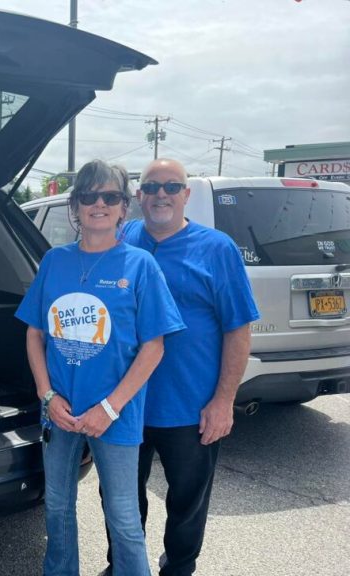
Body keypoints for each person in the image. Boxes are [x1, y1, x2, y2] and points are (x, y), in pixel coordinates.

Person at [16, 159, 186, 576]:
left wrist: (109, 408)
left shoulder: (140, 266)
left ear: (124, 207)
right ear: (75, 206)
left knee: (125, 519)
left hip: (117, 414)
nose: (99, 204)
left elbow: (154, 347)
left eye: (110, 196)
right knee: (57, 507)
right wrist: (47, 396)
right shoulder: (54, 262)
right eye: (89, 196)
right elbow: (35, 335)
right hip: (59, 410)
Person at [100, 158, 260, 576]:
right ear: (138, 197)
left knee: (187, 504)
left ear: (186, 195)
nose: (161, 196)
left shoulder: (216, 249)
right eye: (152, 188)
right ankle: (123, 566)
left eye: (172, 187)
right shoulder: (125, 238)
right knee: (119, 498)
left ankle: (178, 569)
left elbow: (239, 330)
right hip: (124, 403)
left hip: (190, 407)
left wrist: (224, 400)